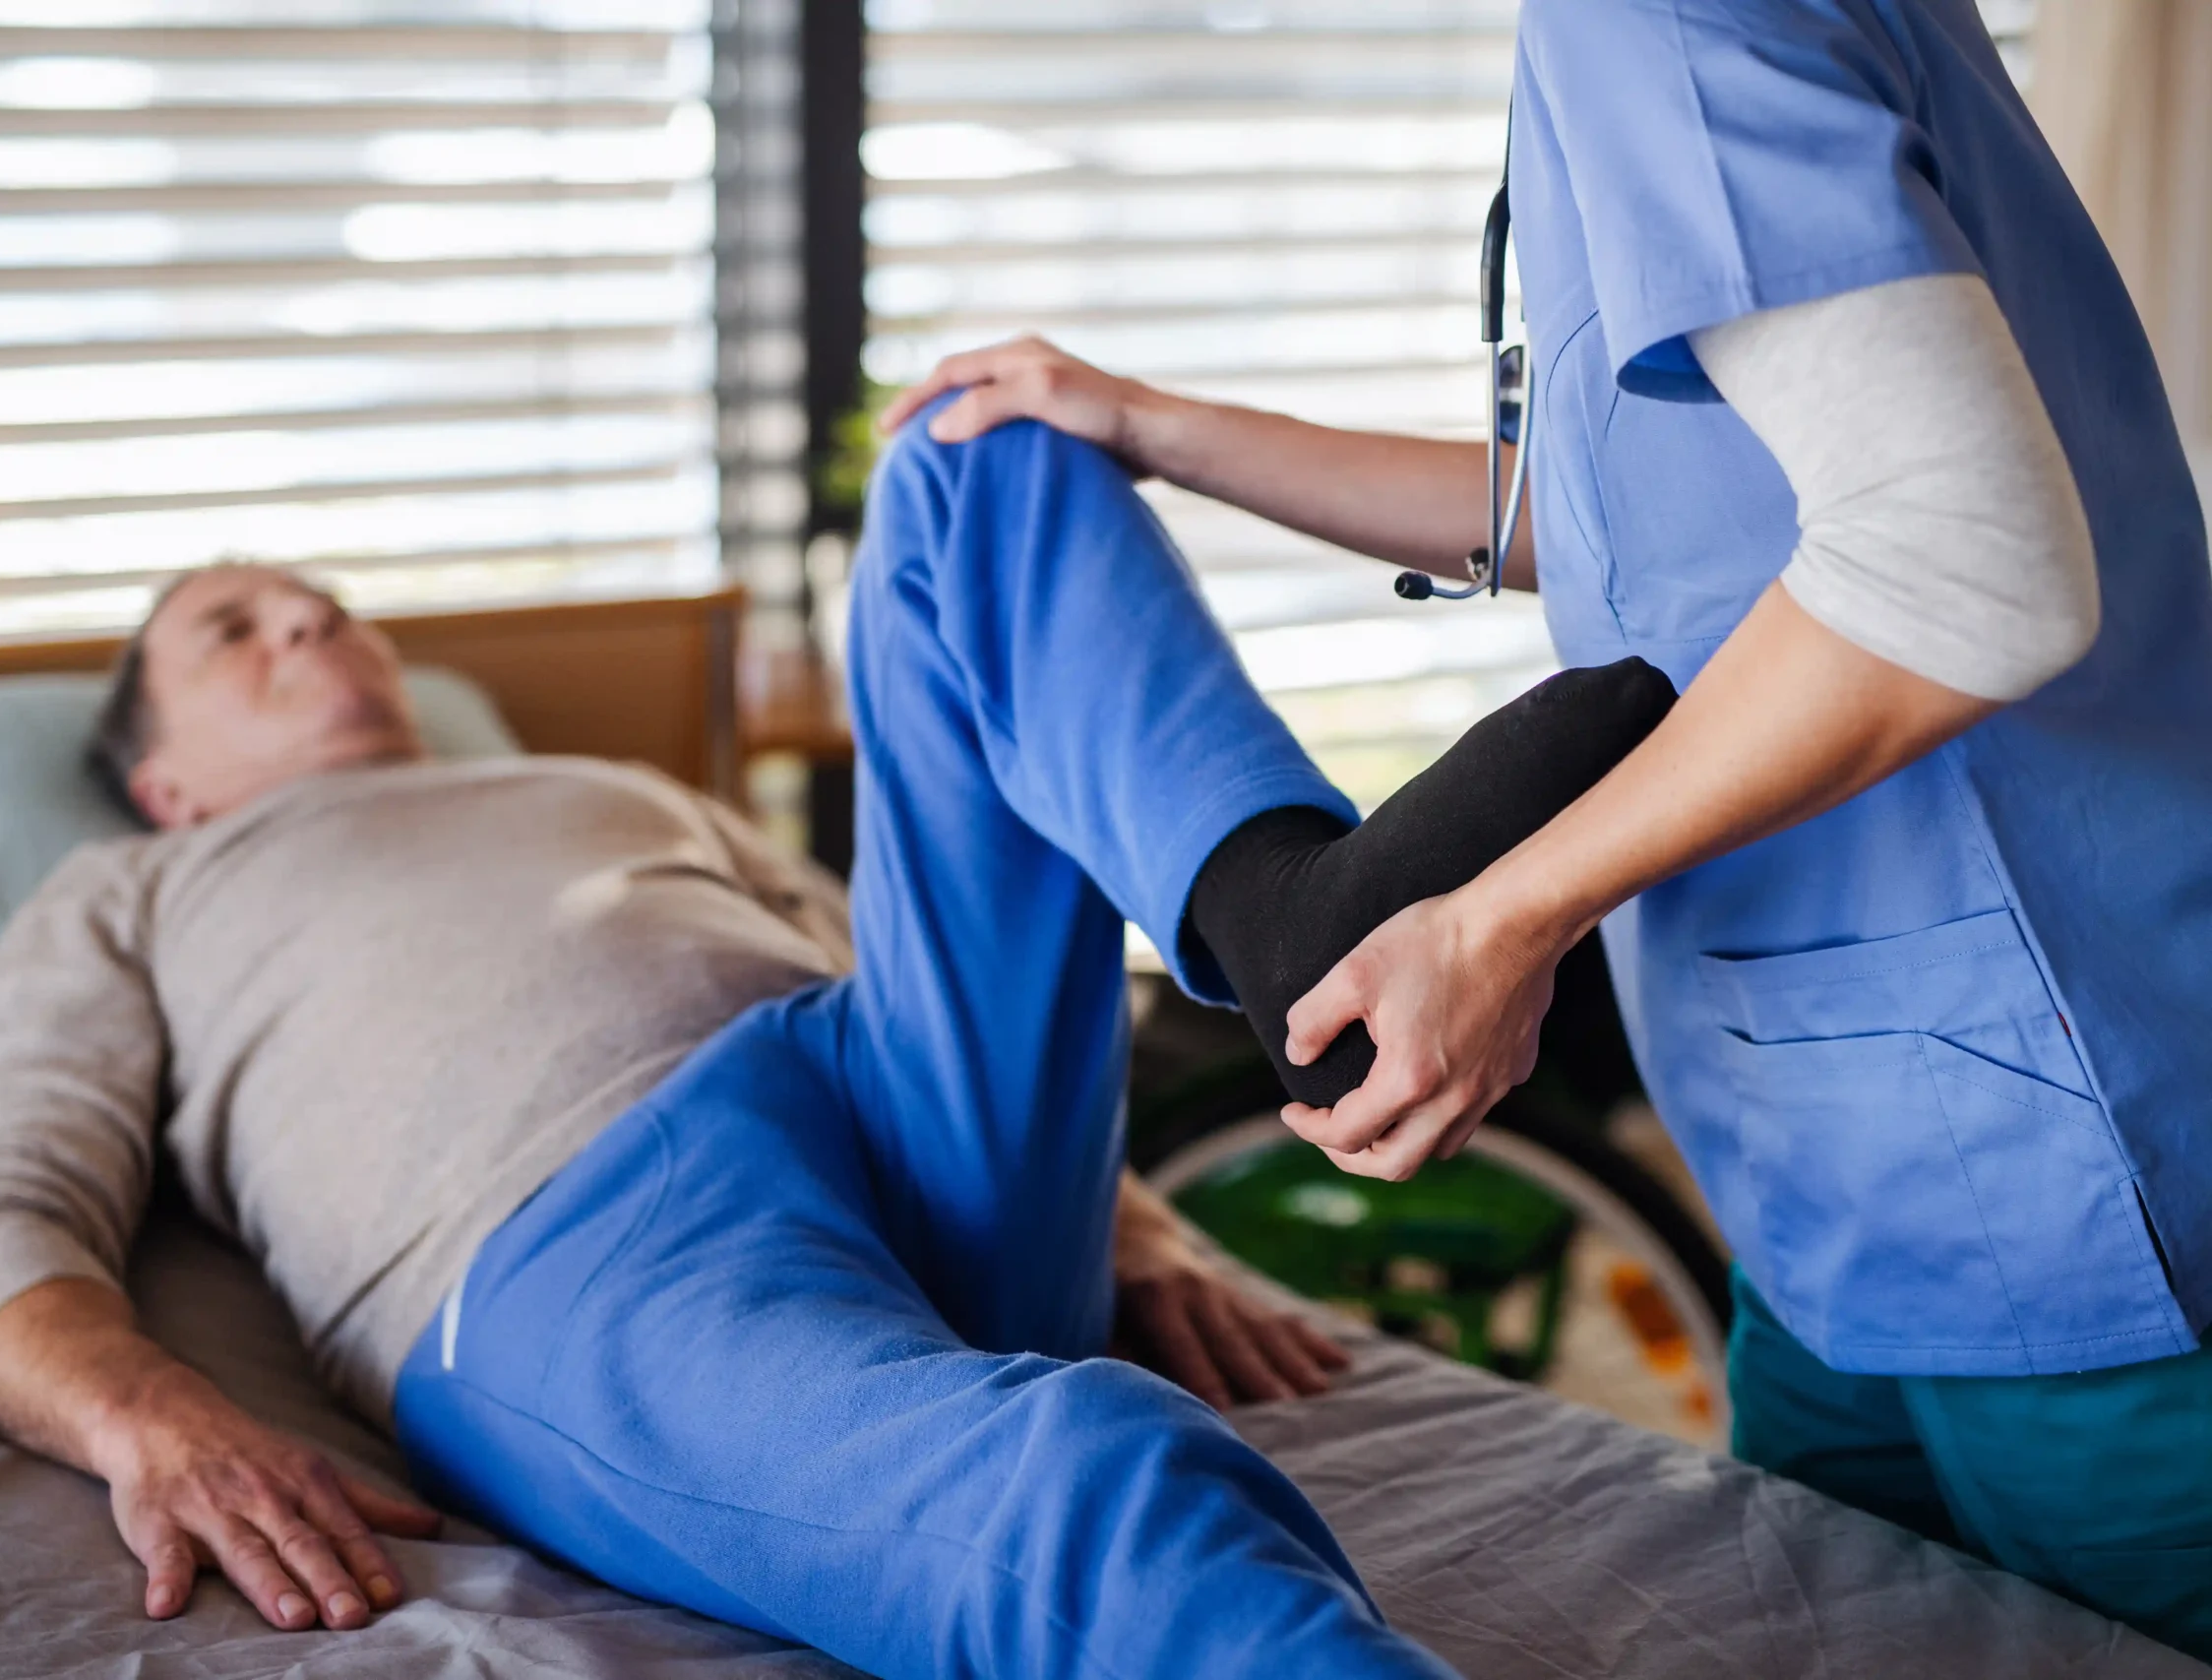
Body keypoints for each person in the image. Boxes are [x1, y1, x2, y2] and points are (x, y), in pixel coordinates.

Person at [0, 406, 1676, 1675]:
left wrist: (1121, 1213)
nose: (305, 619)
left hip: (880, 1081)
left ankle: (1275, 910)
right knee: (1092, 1472)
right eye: (234, 630)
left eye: (323, 599)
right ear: (163, 776)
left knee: (973, 453)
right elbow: (5, 1218)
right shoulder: (129, 893)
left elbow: (908, 929)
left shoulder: (595, 783)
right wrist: (150, 1419)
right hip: (583, 1237)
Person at [884, 0, 2212, 1655]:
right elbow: (1630, 527)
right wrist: (1158, 426)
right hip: (1830, 1171)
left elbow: (1961, 561)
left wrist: (1500, 919)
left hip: (2053, 1156)